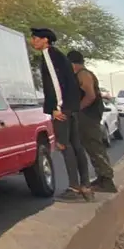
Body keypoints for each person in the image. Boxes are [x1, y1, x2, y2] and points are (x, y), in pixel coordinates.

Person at [30, 27, 93, 202]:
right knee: (76, 146)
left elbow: (56, 84)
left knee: (65, 146)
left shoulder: (49, 55)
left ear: (45, 40)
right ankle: (85, 186)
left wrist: (56, 107)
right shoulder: (58, 55)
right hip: (71, 107)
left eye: (35, 38)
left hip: (62, 108)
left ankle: (74, 188)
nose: (32, 41)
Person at [67, 50, 117, 193]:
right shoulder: (81, 74)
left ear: (72, 63)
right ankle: (102, 178)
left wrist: (77, 109)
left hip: (88, 116)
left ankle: (106, 180)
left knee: (94, 147)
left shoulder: (83, 74)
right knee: (90, 146)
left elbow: (90, 96)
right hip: (87, 116)